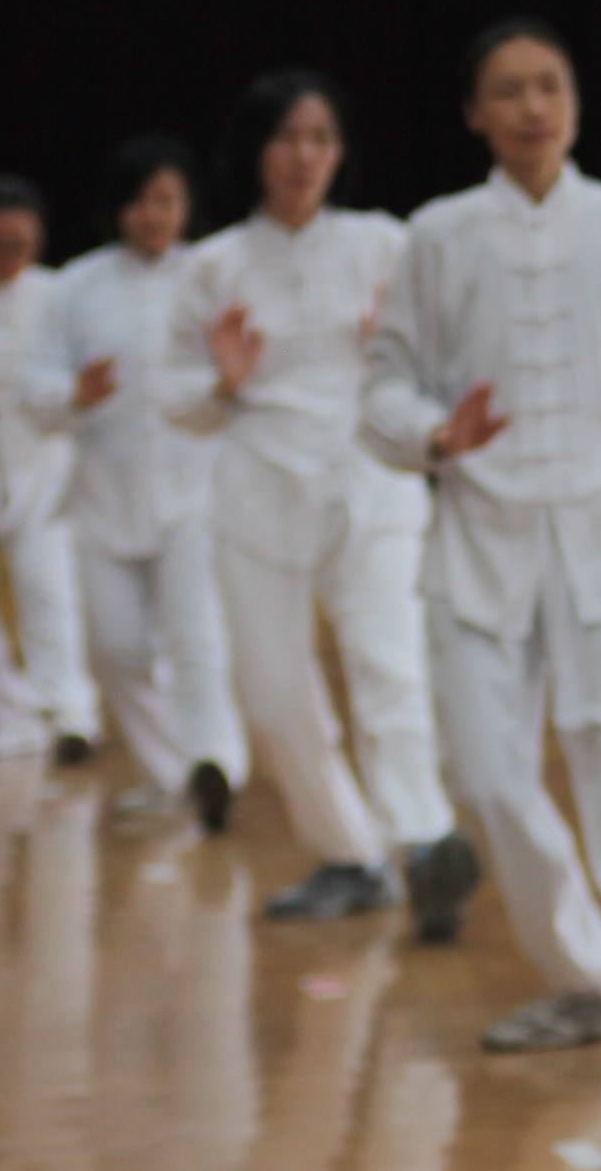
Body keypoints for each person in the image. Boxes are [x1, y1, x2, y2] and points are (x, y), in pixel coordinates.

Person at [363, 23, 601, 1078]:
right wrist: (436, 433)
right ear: (474, 113)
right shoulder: (438, 235)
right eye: (507, 90)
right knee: (485, 771)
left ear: (576, 101)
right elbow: (381, 386)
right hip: (482, 536)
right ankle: (585, 971)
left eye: (549, 84)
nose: (531, 107)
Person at [169, 72, 476, 929]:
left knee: (390, 668)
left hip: (371, 483)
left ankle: (425, 846)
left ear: (341, 153)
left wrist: (399, 354)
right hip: (258, 493)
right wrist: (223, 382)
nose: (303, 156)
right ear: (254, 150)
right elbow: (174, 398)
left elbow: (446, 362)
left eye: (320, 139)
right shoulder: (213, 266)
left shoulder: (385, 246)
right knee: (272, 692)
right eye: (286, 138)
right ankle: (348, 852)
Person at [26, 138, 242, 826]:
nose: (155, 215)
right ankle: (170, 774)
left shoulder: (213, 276)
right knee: (114, 647)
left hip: (194, 492)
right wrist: (74, 394)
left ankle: (217, 766)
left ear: (187, 207)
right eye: (142, 201)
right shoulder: (76, 286)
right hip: (104, 497)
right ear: (118, 208)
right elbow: (34, 391)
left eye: (168, 201)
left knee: (197, 638)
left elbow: (246, 373)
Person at [0, 179, 97, 768]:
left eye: (21, 244)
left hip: (43, 473)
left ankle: (69, 714)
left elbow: (82, 382)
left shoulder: (58, 297)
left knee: (50, 596)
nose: (10, 256)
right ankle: (5, 715)